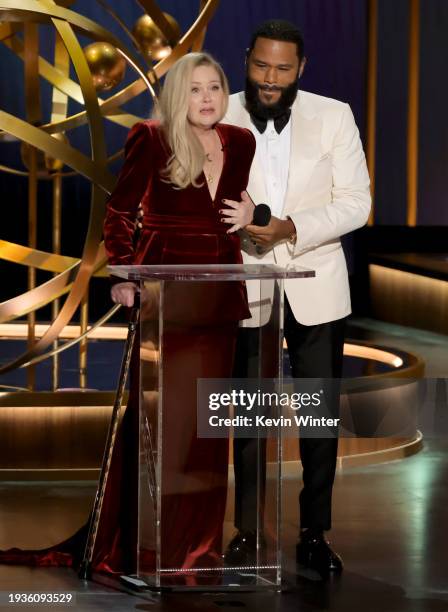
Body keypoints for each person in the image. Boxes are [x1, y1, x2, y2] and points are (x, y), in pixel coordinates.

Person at [0, 52, 255, 578]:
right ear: (176, 95)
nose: (206, 98)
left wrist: (254, 215)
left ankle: (198, 552)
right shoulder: (151, 137)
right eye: (194, 89)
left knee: (209, 433)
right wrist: (122, 275)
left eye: (215, 87)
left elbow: (232, 212)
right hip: (165, 295)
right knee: (165, 427)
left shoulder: (242, 142)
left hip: (219, 296)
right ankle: (148, 548)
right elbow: (120, 211)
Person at [222, 19, 371, 578]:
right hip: (246, 282)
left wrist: (289, 227)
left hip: (317, 282)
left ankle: (314, 532)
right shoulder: (222, 112)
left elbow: (357, 203)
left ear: (301, 69)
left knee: (318, 416)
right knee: (249, 415)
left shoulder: (334, 116)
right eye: (261, 65)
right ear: (247, 59)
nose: (270, 78)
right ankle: (248, 528)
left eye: (283, 69)